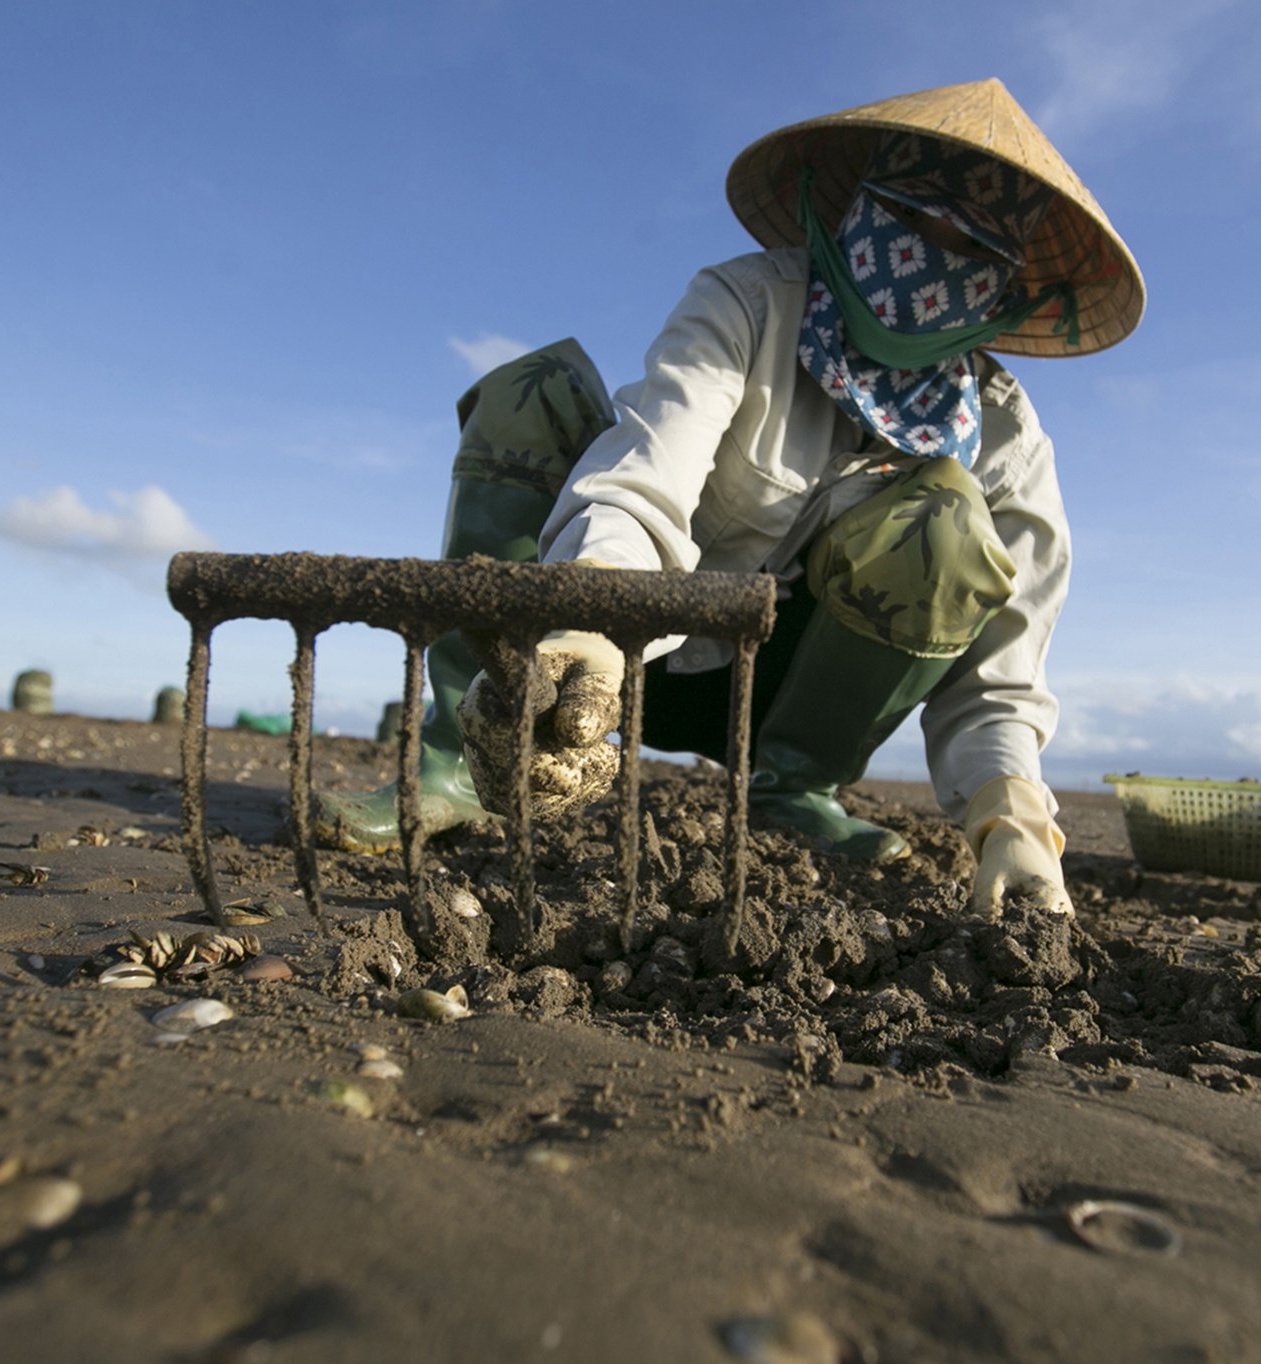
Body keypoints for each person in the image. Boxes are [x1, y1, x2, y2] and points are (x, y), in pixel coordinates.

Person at [316, 80, 1144, 918]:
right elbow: (648, 470)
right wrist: (590, 620)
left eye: (966, 247)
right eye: (906, 219)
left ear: (1003, 288)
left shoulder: (1003, 437)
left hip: (778, 698)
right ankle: (465, 749)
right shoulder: (748, 305)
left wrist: (1014, 812)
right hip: (608, 665)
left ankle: (793, 789)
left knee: (947, 524)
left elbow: (1003, 667)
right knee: (529, 391)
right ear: (853, 209)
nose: (924, 261)